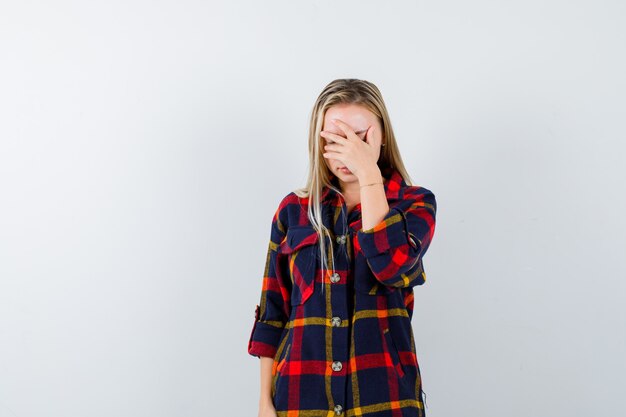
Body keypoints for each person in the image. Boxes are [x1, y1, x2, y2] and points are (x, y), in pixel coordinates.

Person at [247, 78, 437, 417]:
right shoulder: (294, 211)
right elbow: (274, 310)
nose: (348, 150)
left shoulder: (414, 205)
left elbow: (391, 267)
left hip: (384, 398)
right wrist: (265, 401)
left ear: (381, 136)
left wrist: (369, 175)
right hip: (301, 399)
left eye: (360, 138)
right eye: (335, 138)